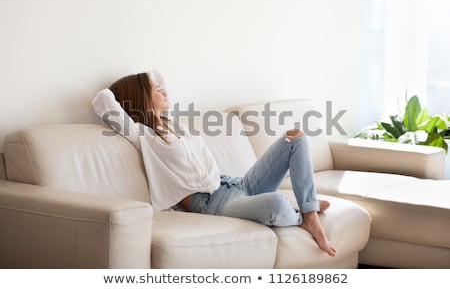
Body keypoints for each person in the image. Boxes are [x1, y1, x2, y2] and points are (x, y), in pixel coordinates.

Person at [92, 70, 336, 257]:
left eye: (161, 89)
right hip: (209, 201)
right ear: (143, 99)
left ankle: (308, 209)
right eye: (157, 90)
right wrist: (137, 86)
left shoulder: (173, 123)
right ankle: (303, 216)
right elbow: (103, 100)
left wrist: (149, 83)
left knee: (295, 137)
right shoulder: (141, 135)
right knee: (278, 204)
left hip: (234, 183)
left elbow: (157, 75)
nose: (164, 92)